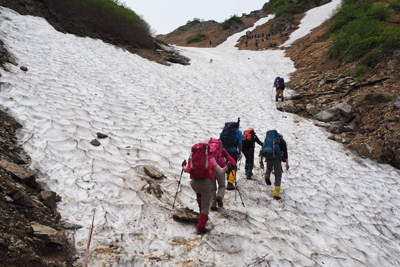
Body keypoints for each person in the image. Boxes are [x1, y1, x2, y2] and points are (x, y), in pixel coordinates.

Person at [182, 147, 228, 234]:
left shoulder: (192, 158)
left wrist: (183, 165)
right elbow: (220, 170)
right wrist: (226, 167)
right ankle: (201, 226)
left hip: (194, 183)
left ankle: (203, 218)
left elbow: (186, 170)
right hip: (205, 184)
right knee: (205, 206)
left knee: (200, 199)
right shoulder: (210, 158)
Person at [208, 138, 236, 211]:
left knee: (213, 188)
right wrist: (233, 164)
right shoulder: (222, 149)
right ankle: (219, 196)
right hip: (221, 168)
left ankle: (213, 205)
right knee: (222, 186)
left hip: (210, 169)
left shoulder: (208, 149)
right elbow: (230, 158)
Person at [260, 131, 289, 200]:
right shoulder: (281, 141)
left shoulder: (268, 141)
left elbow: (262, 150)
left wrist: (261, 161)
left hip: (268, 157)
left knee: (269, 168)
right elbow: (285, 153)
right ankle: (276, 194)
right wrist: (287, 163)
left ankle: (267, 174)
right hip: (277, 159)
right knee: (278, 175)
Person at [219, 118, 243, 191]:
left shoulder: (224, 131)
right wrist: (239, 153)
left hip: (223, 150)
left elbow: (220, 140)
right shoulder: (238, 132)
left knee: (225, 164)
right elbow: (240, 143)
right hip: (233, 150)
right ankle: (230, 183)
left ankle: (226, 179)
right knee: (233, 166)